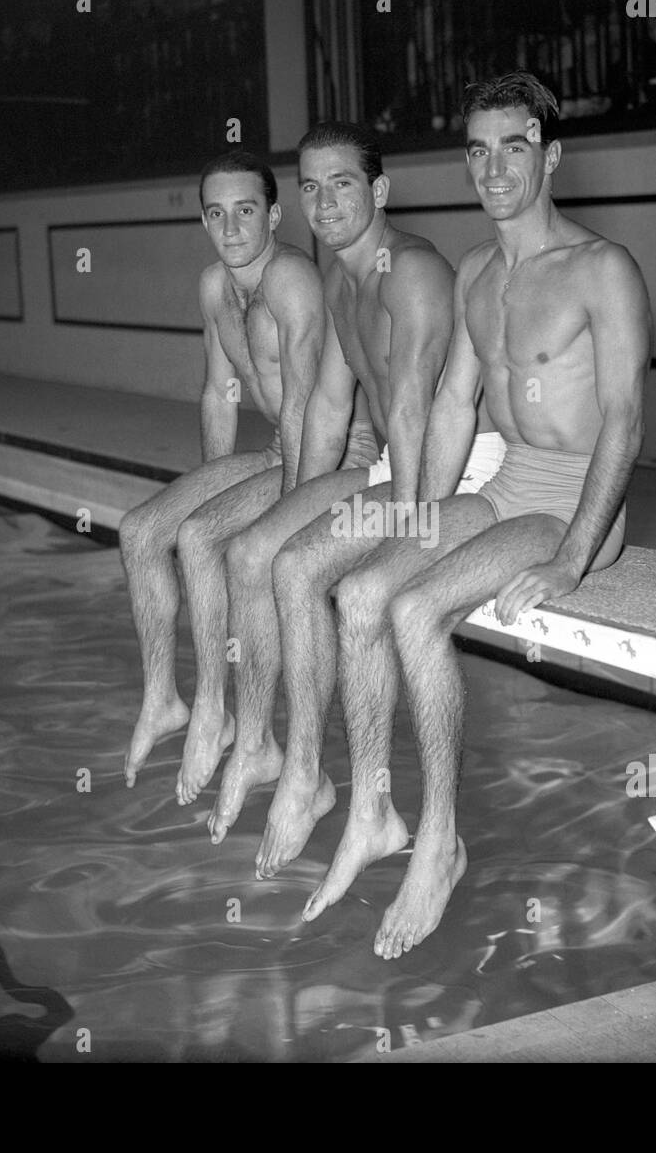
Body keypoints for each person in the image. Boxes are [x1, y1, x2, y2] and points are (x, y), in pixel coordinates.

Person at [349, 71, 649, 958]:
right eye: (477, 149)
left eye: (513, 145)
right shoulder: (478, 274)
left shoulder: (603, 270)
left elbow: (626, 422)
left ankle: (440, 841)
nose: (494, 167)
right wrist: (421, 517)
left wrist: (571, 558)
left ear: (549, 156)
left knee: (413, 611)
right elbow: (452, 409)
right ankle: (372, 807)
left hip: (575, 502)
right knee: (366, 593)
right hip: (507, 485)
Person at [193, 123, 501, 867]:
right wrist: (292, 507)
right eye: (310, 187)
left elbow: (417, 412)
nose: (324, 201)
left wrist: (414, 529)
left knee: (330, 578)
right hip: (398, 466)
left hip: (459, 469)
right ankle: (299, 769)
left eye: (342, 184)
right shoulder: (338, 280)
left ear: (379, 192)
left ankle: (352, 793)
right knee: (272, 557)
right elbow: (330, 408)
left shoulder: (414, 271)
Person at [118, 151, 324, 797]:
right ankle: (164, 698)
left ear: (274, 214)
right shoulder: (214, 287)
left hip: (333, 455)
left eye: (245, 211)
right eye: (216, 213)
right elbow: (219, 394)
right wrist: (212, 487)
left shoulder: (292, 281)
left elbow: (303, 406)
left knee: (206, 539)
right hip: (273, 454)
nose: (231, 227)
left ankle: (216, 708)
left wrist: (283, 514)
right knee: (142, 530)